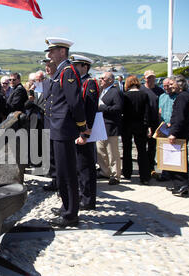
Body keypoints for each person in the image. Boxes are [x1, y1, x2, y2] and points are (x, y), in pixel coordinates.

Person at [42, 37, 89, 228]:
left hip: (64, 128)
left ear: (62, 52)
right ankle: (66, 206)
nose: (49, 54)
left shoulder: (68, 71)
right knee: (61, 172)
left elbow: (74, 102)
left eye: (52, 51)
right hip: (57, 127)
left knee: (68, 173)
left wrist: (82, 127)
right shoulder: (61, 71)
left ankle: (71, 214)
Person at [71, 54, 99, 210]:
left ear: (85, 67)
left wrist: (85, 133)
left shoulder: (89, 83)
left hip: (85, 132)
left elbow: (90, 110)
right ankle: (83, 195)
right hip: (77, 130)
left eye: (77, 65)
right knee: (79, 166)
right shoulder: (79, 82)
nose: (74, 68)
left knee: (86, 167)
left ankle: (88, 200)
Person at [166, 75, 189, 196]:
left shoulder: (182, 97)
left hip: (179, 133)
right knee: (181, 158)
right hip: (184, 131)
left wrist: (173, 133)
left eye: (172, 84)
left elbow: (179, 117)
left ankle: (181, 184)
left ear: (180, 84)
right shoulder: (187, 96)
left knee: (176, 159)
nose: (170, 86)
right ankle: (184, 184)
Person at [121, 75, 152, 185]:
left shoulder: (125, 96)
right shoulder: (144, 95)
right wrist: (148, 126)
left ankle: (127, 172)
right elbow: (147, 113)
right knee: (142, 150)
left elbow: (122, 112)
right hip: (140, 125)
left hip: (127, 124)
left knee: (126, 149)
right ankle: (144, 176)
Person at [96, 72, 123, 185]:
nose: (101, 80)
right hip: (100, 124)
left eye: (103, 78)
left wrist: (104, 108)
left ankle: (115, 175)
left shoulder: (115, 92)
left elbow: (118, 108)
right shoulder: (102, 91)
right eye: (101, 78)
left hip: (110, 125)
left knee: (112, 152)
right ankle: (105, 171)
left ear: (111, 80)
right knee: (100, 151)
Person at [140, 70, 165, 179]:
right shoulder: (141, 90)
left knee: (152, 147)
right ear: (144, 78)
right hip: (143, 122)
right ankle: (144, 169)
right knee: (141, 147)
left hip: (156, 123)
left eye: (152, 77)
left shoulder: (159, 90)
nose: (150, 79)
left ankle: (151, 168)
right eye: (148, 77)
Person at [42, 52, 59, 192]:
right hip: (48, 122)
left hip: (58, 122)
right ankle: (54, 179)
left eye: (50, 65)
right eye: (46, 66)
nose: (47, 68)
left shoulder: (59, 80)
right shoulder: (46, 82)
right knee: (51, 153)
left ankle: (61, 181)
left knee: (60, 155)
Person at [157, 78, 178, 181]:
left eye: (168, 85)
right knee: (165, 152)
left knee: (177, 151)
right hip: (163, 127)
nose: (166, 88)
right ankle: (165, 173)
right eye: (164, 86)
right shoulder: (162, 96)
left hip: (174, 127)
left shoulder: (178, 97)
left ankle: (179, 175)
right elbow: (160, 110)